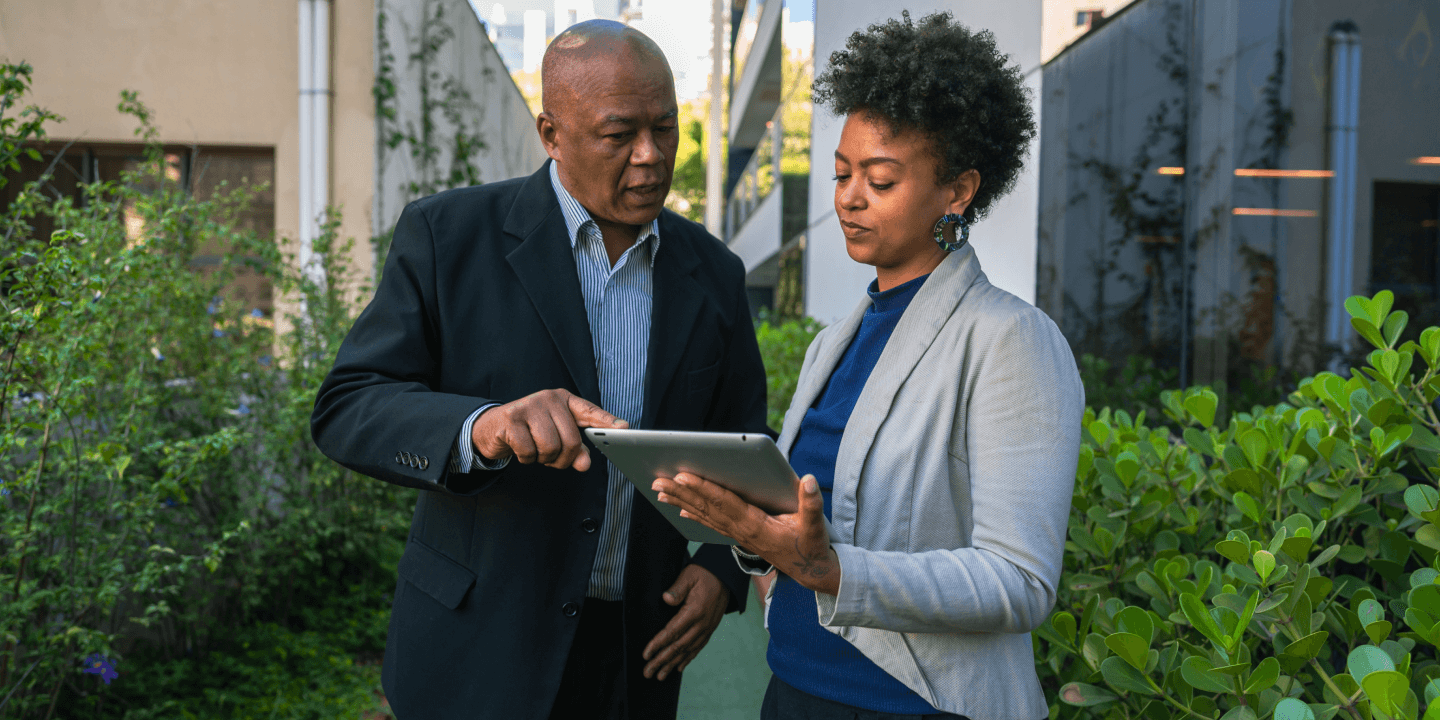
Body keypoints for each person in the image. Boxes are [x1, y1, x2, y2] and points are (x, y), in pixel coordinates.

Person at [310, 20, 769, 720]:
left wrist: (721, 570)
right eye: (619, 136)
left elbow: (744, 438)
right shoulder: (448, 236)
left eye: (666, 128)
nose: (650, 157)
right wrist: (482, 426)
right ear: (551, 134)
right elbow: (347, 406)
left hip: (636, 654)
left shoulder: (716, 273)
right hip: (476, 648)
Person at [652, 11, 1082, 720]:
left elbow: (1019, 581)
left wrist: (831, 569)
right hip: (794, 689)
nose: (849, 197)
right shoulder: (835, 341)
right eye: (842, 173)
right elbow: (795, 530)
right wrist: (755, 540)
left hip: (911, 706)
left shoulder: (1011, 340)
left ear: (958, 191)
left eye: (879, 180)